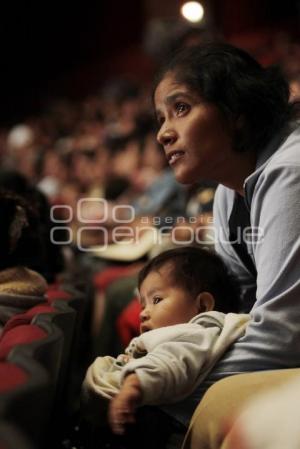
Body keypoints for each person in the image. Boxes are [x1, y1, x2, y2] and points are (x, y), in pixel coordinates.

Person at [153, 42, 300, 440]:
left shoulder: (290, 170)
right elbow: (234, 309)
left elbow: (283, 337)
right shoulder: (226, 190)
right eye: (161, 117)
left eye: (180, 108)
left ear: (237, 112)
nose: (163, 132)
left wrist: (159, 387)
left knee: (216, 401)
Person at [82, 246, 249, 447]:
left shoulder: (198, 332)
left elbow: (171, 361)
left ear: (203, 306)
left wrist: (135, 384)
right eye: (143, 304)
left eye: (157, 300)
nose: (143, 313)